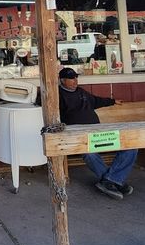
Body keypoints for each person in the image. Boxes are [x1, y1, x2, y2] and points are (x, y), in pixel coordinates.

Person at [58, 67, 135, 200]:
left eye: (76, 77)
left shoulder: (81, 92)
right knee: (89, 154)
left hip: (99, 134)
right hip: (81, 137)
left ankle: (110, 180)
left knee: (131, 147)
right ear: (62, 80)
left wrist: (112, 101)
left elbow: (96, 100)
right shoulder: (58, 95)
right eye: (71, 78)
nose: (75, 81)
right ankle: (115, 181)